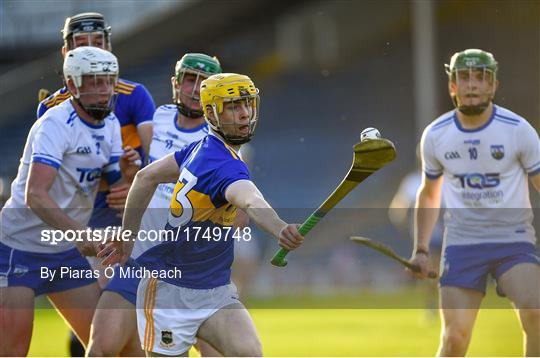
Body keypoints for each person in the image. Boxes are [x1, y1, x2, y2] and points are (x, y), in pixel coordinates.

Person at [99, 73, 305, 356]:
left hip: (214, 290)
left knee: (249, 352)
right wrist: (279, 227)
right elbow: (249, 198)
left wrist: (127, 237)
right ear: (211, 113)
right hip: (168, 290)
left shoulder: (201, 148)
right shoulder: (224, 166)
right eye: (233, 106)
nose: (245, 113)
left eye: (247, 104)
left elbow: (146, 176)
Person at [0, 46, 140, 356]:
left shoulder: (112, 125)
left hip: (63, 252)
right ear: (73, 84)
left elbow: (114, 188)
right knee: (12, 351)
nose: (104, 90)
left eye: (108, 81)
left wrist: (129, 177)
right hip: (18, 250)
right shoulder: (56, 124)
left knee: (114, 345)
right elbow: (34, 194)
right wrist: (82, 236)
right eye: (94, 82)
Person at [87, 53, 223, 357]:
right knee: (100, 349)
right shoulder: (158, 117)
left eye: (204, 84)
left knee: (216, 353)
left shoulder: (219, 139)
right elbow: (146, 176)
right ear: (175, 84)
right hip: (140, 257)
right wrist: (129, 173)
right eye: (190, 79)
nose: (195, 89)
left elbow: (236, 213)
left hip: (189, 269)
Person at [410, 49, 540, 356]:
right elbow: (429, 194)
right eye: (464, 78)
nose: (472, 85)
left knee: (536, 313)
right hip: (463, 245)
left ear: (493, 85)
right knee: (455, 338)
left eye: (481, 78)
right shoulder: (436, 135)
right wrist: (421, 249)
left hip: (514, 242)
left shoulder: (518, 130)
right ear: (452, 86)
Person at [37, 12, 155, 229]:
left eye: (98, 43)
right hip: (77, 210)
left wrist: (137, 189)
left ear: (109, 48)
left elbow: (154, 155)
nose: (90, 50)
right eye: (80, 44)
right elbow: (53, 180)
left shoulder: (135, 94)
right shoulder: (50, 107)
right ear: (65, 53)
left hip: (127, 205)